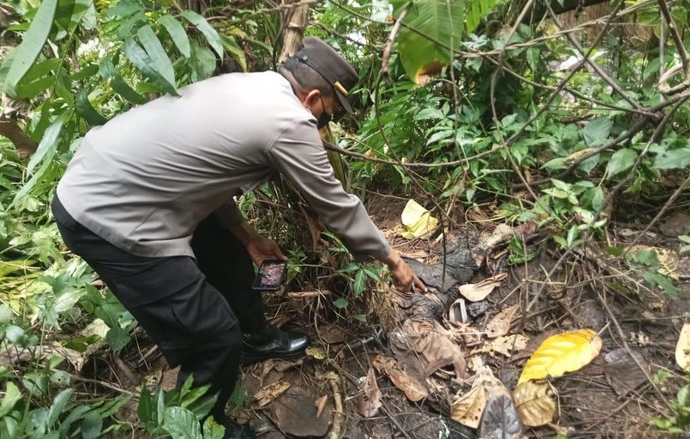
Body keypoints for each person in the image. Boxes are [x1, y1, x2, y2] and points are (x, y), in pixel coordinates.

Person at [52, 37, 427, 437]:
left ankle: (254, 338)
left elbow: (198, 174)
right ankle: (202, 423)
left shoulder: (251, 85)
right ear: (313, 97)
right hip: (107, 214)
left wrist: (247, 236)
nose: (324, 126)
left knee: (229, 255)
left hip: (119, 182)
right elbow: (336, 206)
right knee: (211, 333)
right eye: (327, 115)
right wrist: (394, 260)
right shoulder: (288, 119)